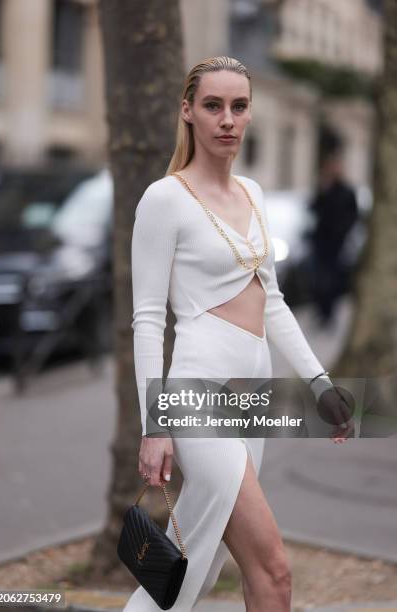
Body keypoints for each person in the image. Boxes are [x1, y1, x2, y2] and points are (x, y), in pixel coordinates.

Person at [124, 56, 353, 612]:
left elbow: (271, 301)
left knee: (194, 567)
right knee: (273, 567)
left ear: (250, 115)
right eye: (213, 106)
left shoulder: (253, 193)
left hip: (253, 393)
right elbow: (148, 319)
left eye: (239, 106)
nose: (227, 119)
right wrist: (156, 425)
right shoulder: (165, 198)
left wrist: (320, 383)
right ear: (188, 112)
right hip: (196, 395)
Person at [307, 139, 359, 327]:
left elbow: (354, 215)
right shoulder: (324, 189)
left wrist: (344, 232)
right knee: (317, 280)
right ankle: (321, 312)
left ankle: (329, 315)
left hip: (338, 244)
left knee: (332, 281)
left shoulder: (347, 191)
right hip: (320, 243)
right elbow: (312, 209)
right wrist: (322, 189)